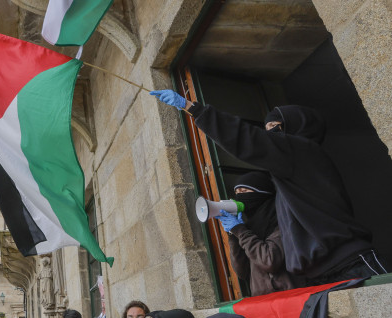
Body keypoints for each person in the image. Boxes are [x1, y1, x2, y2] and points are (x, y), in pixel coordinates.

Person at [151, 93, 388, 285]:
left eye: (274, 127)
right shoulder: (290, 178)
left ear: (296, 126)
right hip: (322, 274)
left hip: (350, 263)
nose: (269, 135)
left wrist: (195, 109)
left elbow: (248, 140)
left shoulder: (302, 150)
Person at [215, 171, 297, 296]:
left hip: (290, 296)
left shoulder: (283, 221)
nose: (240, 197)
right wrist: (233, 235)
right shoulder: (249, 226)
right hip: (262, 300)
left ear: (262, 192)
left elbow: (269, 261)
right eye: (237, 193)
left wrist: (239, 230)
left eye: (244, 192)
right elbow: (242, 271)